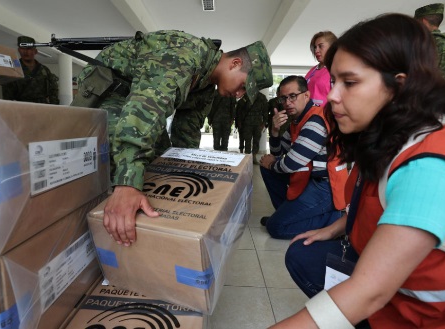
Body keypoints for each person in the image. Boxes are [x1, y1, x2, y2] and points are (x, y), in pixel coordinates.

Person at [273, 13, 445, 329]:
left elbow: (370, 292)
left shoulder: (431, 164)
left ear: (397, 87)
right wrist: (336, 228)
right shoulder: (388, 132)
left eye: (349, 83)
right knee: (304, 253)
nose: (332, 95)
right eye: (333, 82)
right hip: (409, 283)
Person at [73, 30, 273, 246]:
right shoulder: (185, 55)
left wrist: (182, 176)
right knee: (123, 166)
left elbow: (187, 130)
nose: (239, 94)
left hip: (136, 102)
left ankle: (156, 230)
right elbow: (143, 110)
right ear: (234, 63)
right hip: (110, 91)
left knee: (159, 164)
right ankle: (106, 230)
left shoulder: (207, 84)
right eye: (243, 86)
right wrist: (127, 186)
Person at [258, 75, 348, 239]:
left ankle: (333, 223)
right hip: (308, 179)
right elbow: (278, 153)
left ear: (306, 96)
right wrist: (275, 132)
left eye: (293, 96)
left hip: (325, 186)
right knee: (268, 169)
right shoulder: (297, 120)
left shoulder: (315, 121)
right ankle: (285, 214)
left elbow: (291, 163)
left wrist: (272, 163)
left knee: (275, 228)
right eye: (283, 98)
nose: (287, 102)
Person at [2, 36, 59, 104]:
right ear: (19, 50)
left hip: (42, 108)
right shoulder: (13, 68)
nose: (26, 52)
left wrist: (54, 109)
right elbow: (7, 95)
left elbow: (53, 91)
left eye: (29, 48)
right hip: (21, 108)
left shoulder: (44, 70)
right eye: (23, 48)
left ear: (35, 51)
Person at [305, 31, 337, 107]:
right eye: (315, 47)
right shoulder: (312, 70)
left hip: (326, 115)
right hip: (309, 114)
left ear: (332, 47)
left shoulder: (336, 68)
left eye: (320, 46)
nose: (316, 51)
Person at [235, 92, 269, 163]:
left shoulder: (262, 97)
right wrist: (239, 122)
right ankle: (247, 157)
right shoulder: (247, 96)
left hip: (258, 123)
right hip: (247, 122)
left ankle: (254, 157)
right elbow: (240, 107)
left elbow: (265, 111)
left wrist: (264, 123)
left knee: (256, 141)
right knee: (247, 140)